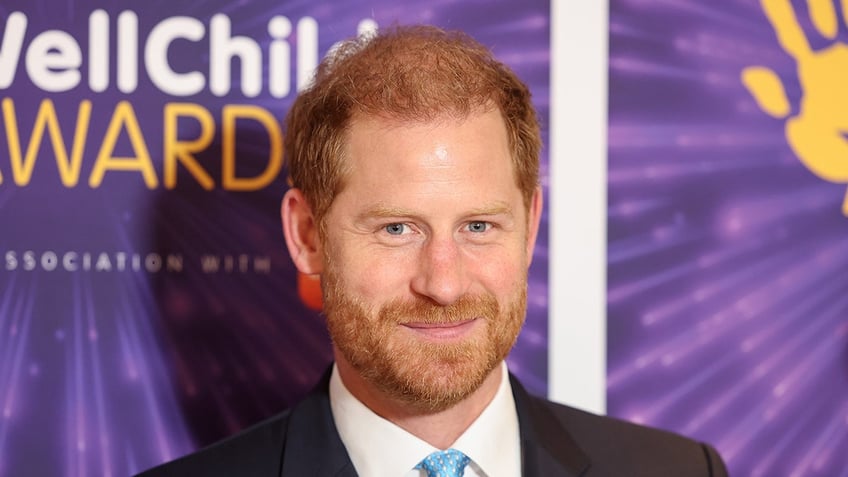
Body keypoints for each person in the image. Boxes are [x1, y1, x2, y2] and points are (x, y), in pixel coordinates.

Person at [137, 25, 728, 477]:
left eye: (478, 226)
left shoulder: (679, 471)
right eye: (397, 229)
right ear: (308, 236)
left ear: (531, 223)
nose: (443, 284)